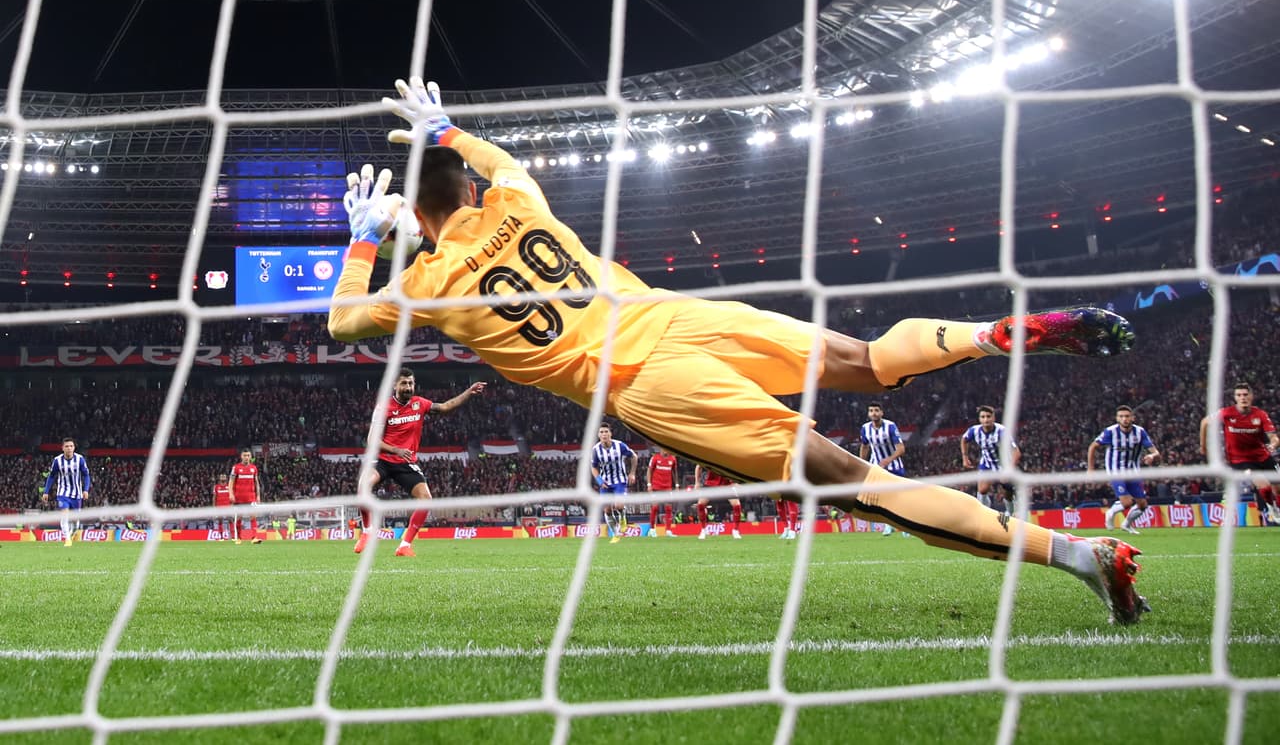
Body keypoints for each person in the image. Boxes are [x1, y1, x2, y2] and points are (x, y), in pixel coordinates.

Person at [327, 77, 1148, 624]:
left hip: (650, 383)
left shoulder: (425, 287)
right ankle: (986, 335)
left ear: (415, 228)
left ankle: (1083, 554)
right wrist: (448, 131)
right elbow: (498, 161)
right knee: (865, 359)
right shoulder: (517, 198)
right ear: (469, 190)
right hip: (679, 315)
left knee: (862, 483)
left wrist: (362, 242)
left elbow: (340, 323)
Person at [352, 368, 487, 557]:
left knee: (426, 499)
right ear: (395, 385)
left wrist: (469, 392)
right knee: (363, 486)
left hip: (405, 463)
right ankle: (367, 533)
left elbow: (445, 407)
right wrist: (396, 449)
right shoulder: (384, 407)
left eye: (410, 383)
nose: (408, 387)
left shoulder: (419, 404)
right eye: (404, 383)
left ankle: (404, 545)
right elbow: (372, 439)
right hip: (382, 459)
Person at [1200, 383, 1280, 525]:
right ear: (1235, 397)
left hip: (1262, 456)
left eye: (1245, 394)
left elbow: (1274, 437)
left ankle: (1276, 506)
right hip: (1240, 461)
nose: (1242, 398)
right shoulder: (1226, 413)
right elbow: (1205, 422)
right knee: (1265, 486)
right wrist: (1203, 446)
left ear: (1251, 396)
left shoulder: (1260, 415)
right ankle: (1272, 508)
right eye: (1239, 395)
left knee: (1277, 488)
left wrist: (1273, 444)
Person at [1088, 405, 1161, 534]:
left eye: (1127, 416)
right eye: (1121, 416)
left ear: (1133, 418)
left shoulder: (1140, 432)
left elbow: (1156, 452)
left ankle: (1126, 524)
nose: (1124, 419)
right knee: (1127, 502)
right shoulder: (1110, 432)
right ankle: (1110, 512)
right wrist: (1091, 468)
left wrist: (1152, 455)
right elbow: (1093, 446)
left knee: (1142, 505)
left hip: (1133, 471)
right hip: (1115, 471)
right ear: (1117, 418)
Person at [858, 403, 907, 537]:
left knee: (899, 496)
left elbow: (901, 449)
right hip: (876, 467)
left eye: (876, 410)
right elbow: (865, 446)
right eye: (871, 410)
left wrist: (888, 460)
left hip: (894, 466)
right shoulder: (865, 428)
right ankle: (888, 525)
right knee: (881, 496)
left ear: (881, 413)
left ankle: (904, 527)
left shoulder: (890, 426)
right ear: (869, 414)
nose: (874, 413)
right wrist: (862, 462)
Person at [961, 405, 1021, 513]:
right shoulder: (974, 430)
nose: (986, 419)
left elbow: (1016, 452)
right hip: (987, 464)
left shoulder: (1002, 431)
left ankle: (1010, 512)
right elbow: (964, 440)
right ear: (979, 419)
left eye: (988, 416)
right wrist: (965, 457)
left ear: (993, 418)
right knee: (982, 490)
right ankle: (985, 512)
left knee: (1007, 489)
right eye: (983, 417)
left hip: (1004, 465)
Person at [589, 424, 638, 544]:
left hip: (619, 480)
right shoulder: (595, 450)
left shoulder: (619, 445)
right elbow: (593, 468)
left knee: (619, 505)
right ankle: (615, 534)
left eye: (606, 431)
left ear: (611, 434)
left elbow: (634, 456)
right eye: (601, 432)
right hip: (605, 483)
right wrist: (599, 480)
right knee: (607, 510)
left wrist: (632, 473)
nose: (604, 434)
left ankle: (623, 518)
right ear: (598, 435)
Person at [41, 437, 90, 547]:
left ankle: (71, 534)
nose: (69, 448)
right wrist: (46, 491)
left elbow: (86, 475)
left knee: (76, 522)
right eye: (67, 446)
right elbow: (52, 476)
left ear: (74, 448)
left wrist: (86, 490)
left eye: (71, 446)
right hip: (63, 493)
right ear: (62, 448)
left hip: (77, 495)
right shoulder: (57, 460)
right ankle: (67, 539)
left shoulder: (80, 459)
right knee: (65, 515)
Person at [694, 463, 743, 540]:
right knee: (700, 504)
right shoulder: (710, 455)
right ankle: (703, 530)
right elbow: (698, 466)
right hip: (711, 484)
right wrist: (697, 482)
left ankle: (735, 530)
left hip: (727, 484)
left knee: (737, 505)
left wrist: (737, 482)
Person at [229, 448, 262, 545]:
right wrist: (231, 493)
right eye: (244, 455)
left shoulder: (254, 468)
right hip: (239, 497)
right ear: (241, 456)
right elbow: (231, 482)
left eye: (248, 455)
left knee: (253, 516)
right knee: (239, 517)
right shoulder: (236, 468)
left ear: (250, 457)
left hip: (251, 497)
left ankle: (254, 537)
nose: (246, 457)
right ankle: (238, 538)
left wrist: (258, 495)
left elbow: (256, 483)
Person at [646, 448, 679, 536]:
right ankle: (652, 529)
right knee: (655, 507)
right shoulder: (655, 458)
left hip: (667, 488)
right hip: (656, 487)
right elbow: (649, 470)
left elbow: (675, 472)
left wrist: (676, 485)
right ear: (660, 449)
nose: (665, 451)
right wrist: (649, 484)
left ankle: (668, 530)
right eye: (664, 449)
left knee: (668, 508)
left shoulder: (673, 459)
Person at [213, 473, 232, 541]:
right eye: (222, 476)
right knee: (220, 521)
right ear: (219, 478)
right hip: (219, 507)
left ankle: (232, 537)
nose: (223, 477)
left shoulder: (229, 486)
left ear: (226, 478)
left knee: (230, 520)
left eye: (224, 476)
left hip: (228, 507)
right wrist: (214, 507)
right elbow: (214, 497)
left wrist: (232, 505)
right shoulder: (216, 487)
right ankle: (221, 537)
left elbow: (231, 496)